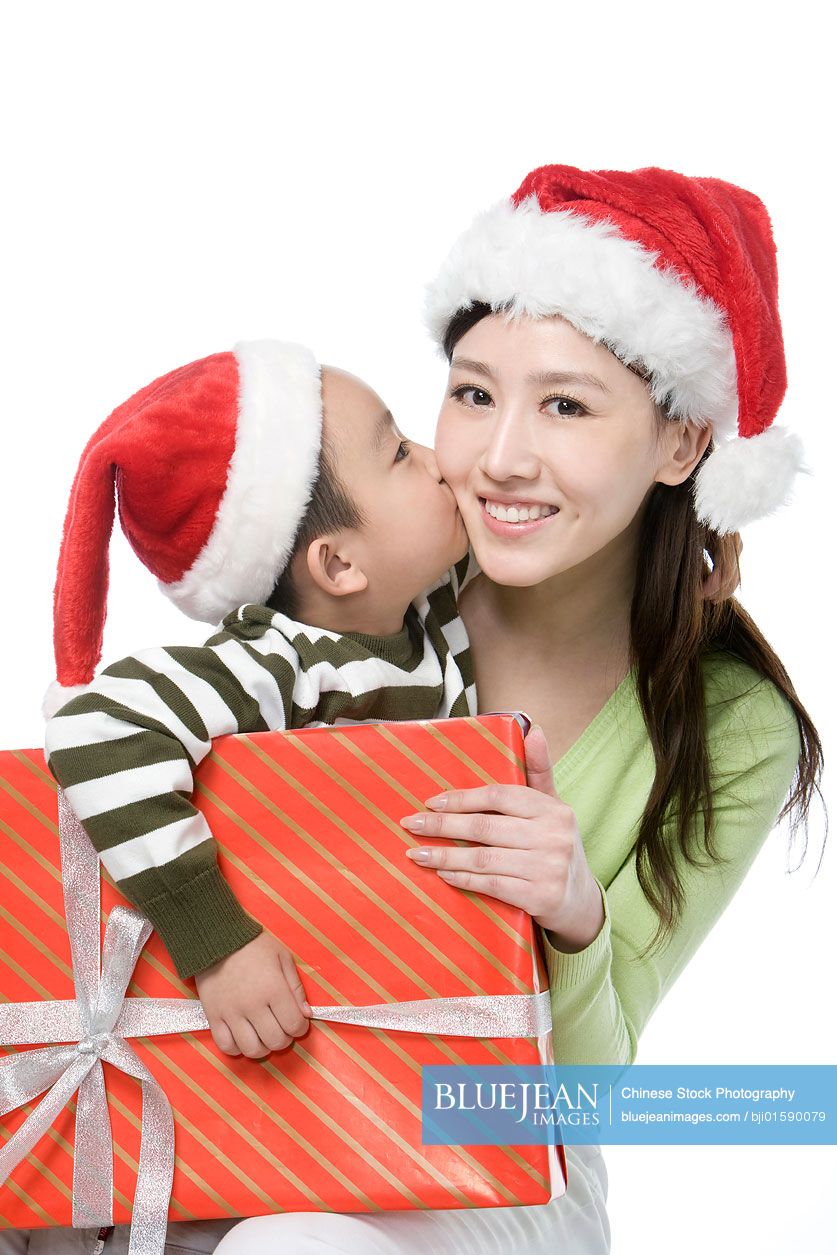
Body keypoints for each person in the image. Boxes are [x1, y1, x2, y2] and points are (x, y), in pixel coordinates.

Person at [209, 164, 825, 1255]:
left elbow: (584, 1085)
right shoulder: (372, 582)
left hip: (496, 1157)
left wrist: (572, 914)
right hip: (264, 1106)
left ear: (683, 446)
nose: (498, 459)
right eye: (475, 392)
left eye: (567, 406)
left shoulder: (732, 721)